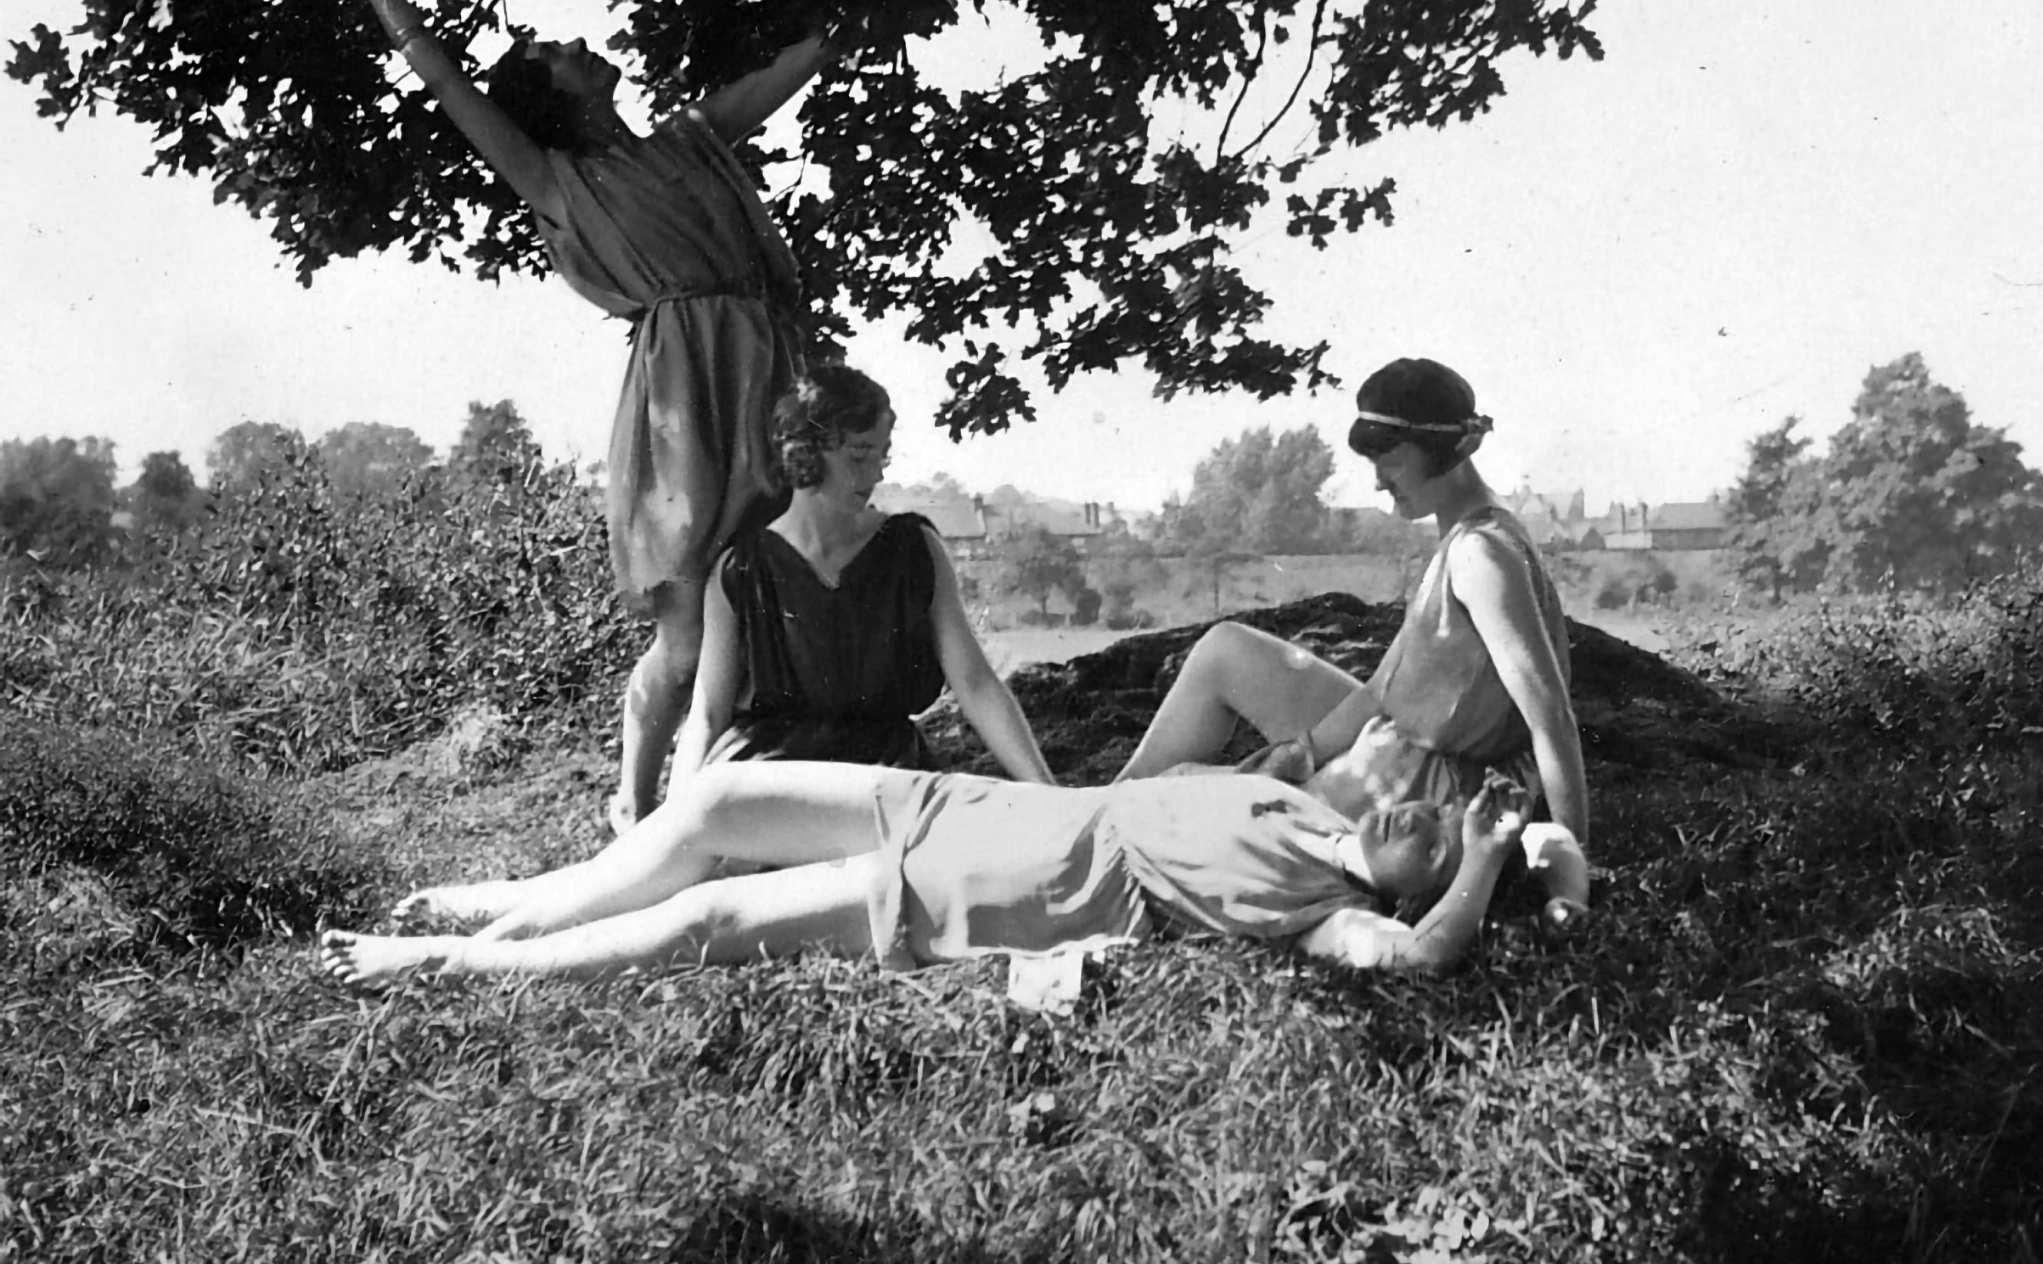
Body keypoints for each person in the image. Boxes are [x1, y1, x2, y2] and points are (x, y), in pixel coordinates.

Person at [349, 0, 831, 831]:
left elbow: (795, 67)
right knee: (685, 630)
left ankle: (742, 792)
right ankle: (633, 801)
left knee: (772, 591)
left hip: (764, 375)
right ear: (550, 102)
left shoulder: (690, 139)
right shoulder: (554, 180)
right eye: (552, 55)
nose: (574, 45)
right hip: (684, 398)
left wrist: (858, 1)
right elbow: (446, 83)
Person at [316, 764, 1587, 986]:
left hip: (977, 896)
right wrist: (1544, 850)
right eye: (1454, 801)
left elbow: (1424, 955)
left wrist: (1490, 866)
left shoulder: (1327, 916)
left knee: (703, 914)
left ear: (1426, 876)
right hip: (970, 807)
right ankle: (520, 896)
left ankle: (454, 954)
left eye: (1453, 830)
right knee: (709, 804)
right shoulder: (1309, 803)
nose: (1445, 809)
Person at [1114, 357, 1591, 866]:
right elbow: (1386, 687)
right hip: (1403, 743)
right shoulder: (1463, 532)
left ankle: (1097, 817)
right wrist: (1300, 753)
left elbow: (1551, 715)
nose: (1380, 482)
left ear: (1443, 450)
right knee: (1225, 650)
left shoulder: (1482, 554)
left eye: (1391, 459)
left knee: (1174, 803)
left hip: (1430, 788)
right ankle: (1103, 804)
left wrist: (1573, 855)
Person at [670, 364, 1053, 788]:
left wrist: (1046, 790)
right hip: (769, 779)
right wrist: (677, 820)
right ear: (804, 452)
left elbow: (976, 683)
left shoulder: (912, 548)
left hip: (885, 773)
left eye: (881, 454)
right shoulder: (740, 570)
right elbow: (707, 713)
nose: (877, 474)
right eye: (859, 454)